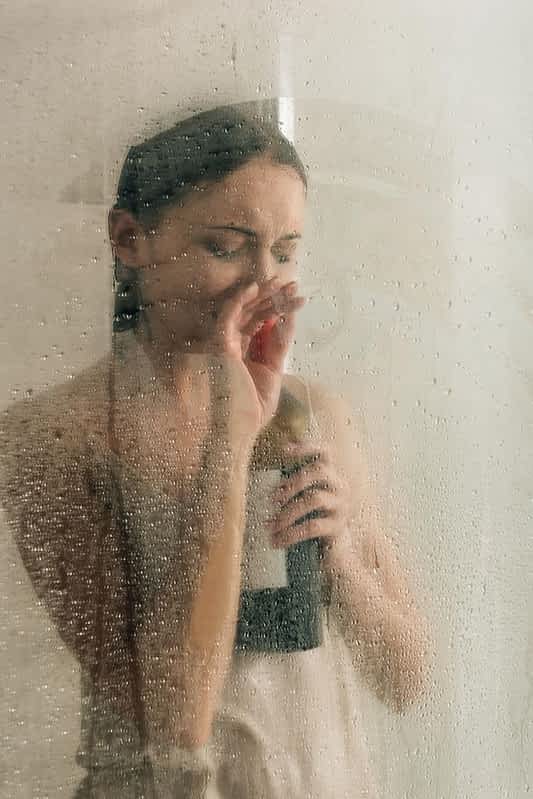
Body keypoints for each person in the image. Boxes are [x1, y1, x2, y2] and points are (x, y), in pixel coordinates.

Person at [0, 104, 432, 798]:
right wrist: (228, 448)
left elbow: (405, 680)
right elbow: (172, 727)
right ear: (129, 238)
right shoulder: (52, 436)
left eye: (284, 252)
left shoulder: (315, 415)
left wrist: (342, 558)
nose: (262, 282)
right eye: (227, 246)